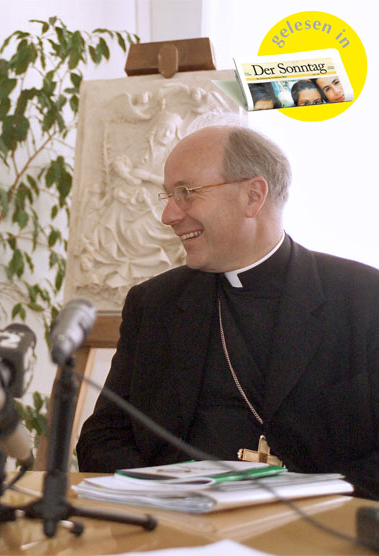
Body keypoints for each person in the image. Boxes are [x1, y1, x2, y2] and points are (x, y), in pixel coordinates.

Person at [76, 126, 379, 500]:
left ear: (253, 196)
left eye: (186, 194)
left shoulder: (364, 298)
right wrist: (166, 494)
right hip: (177, 521)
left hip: (318, 523)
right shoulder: (154, 303)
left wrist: (307, 499)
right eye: (169, 196)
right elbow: (102, 438)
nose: (168, 215)